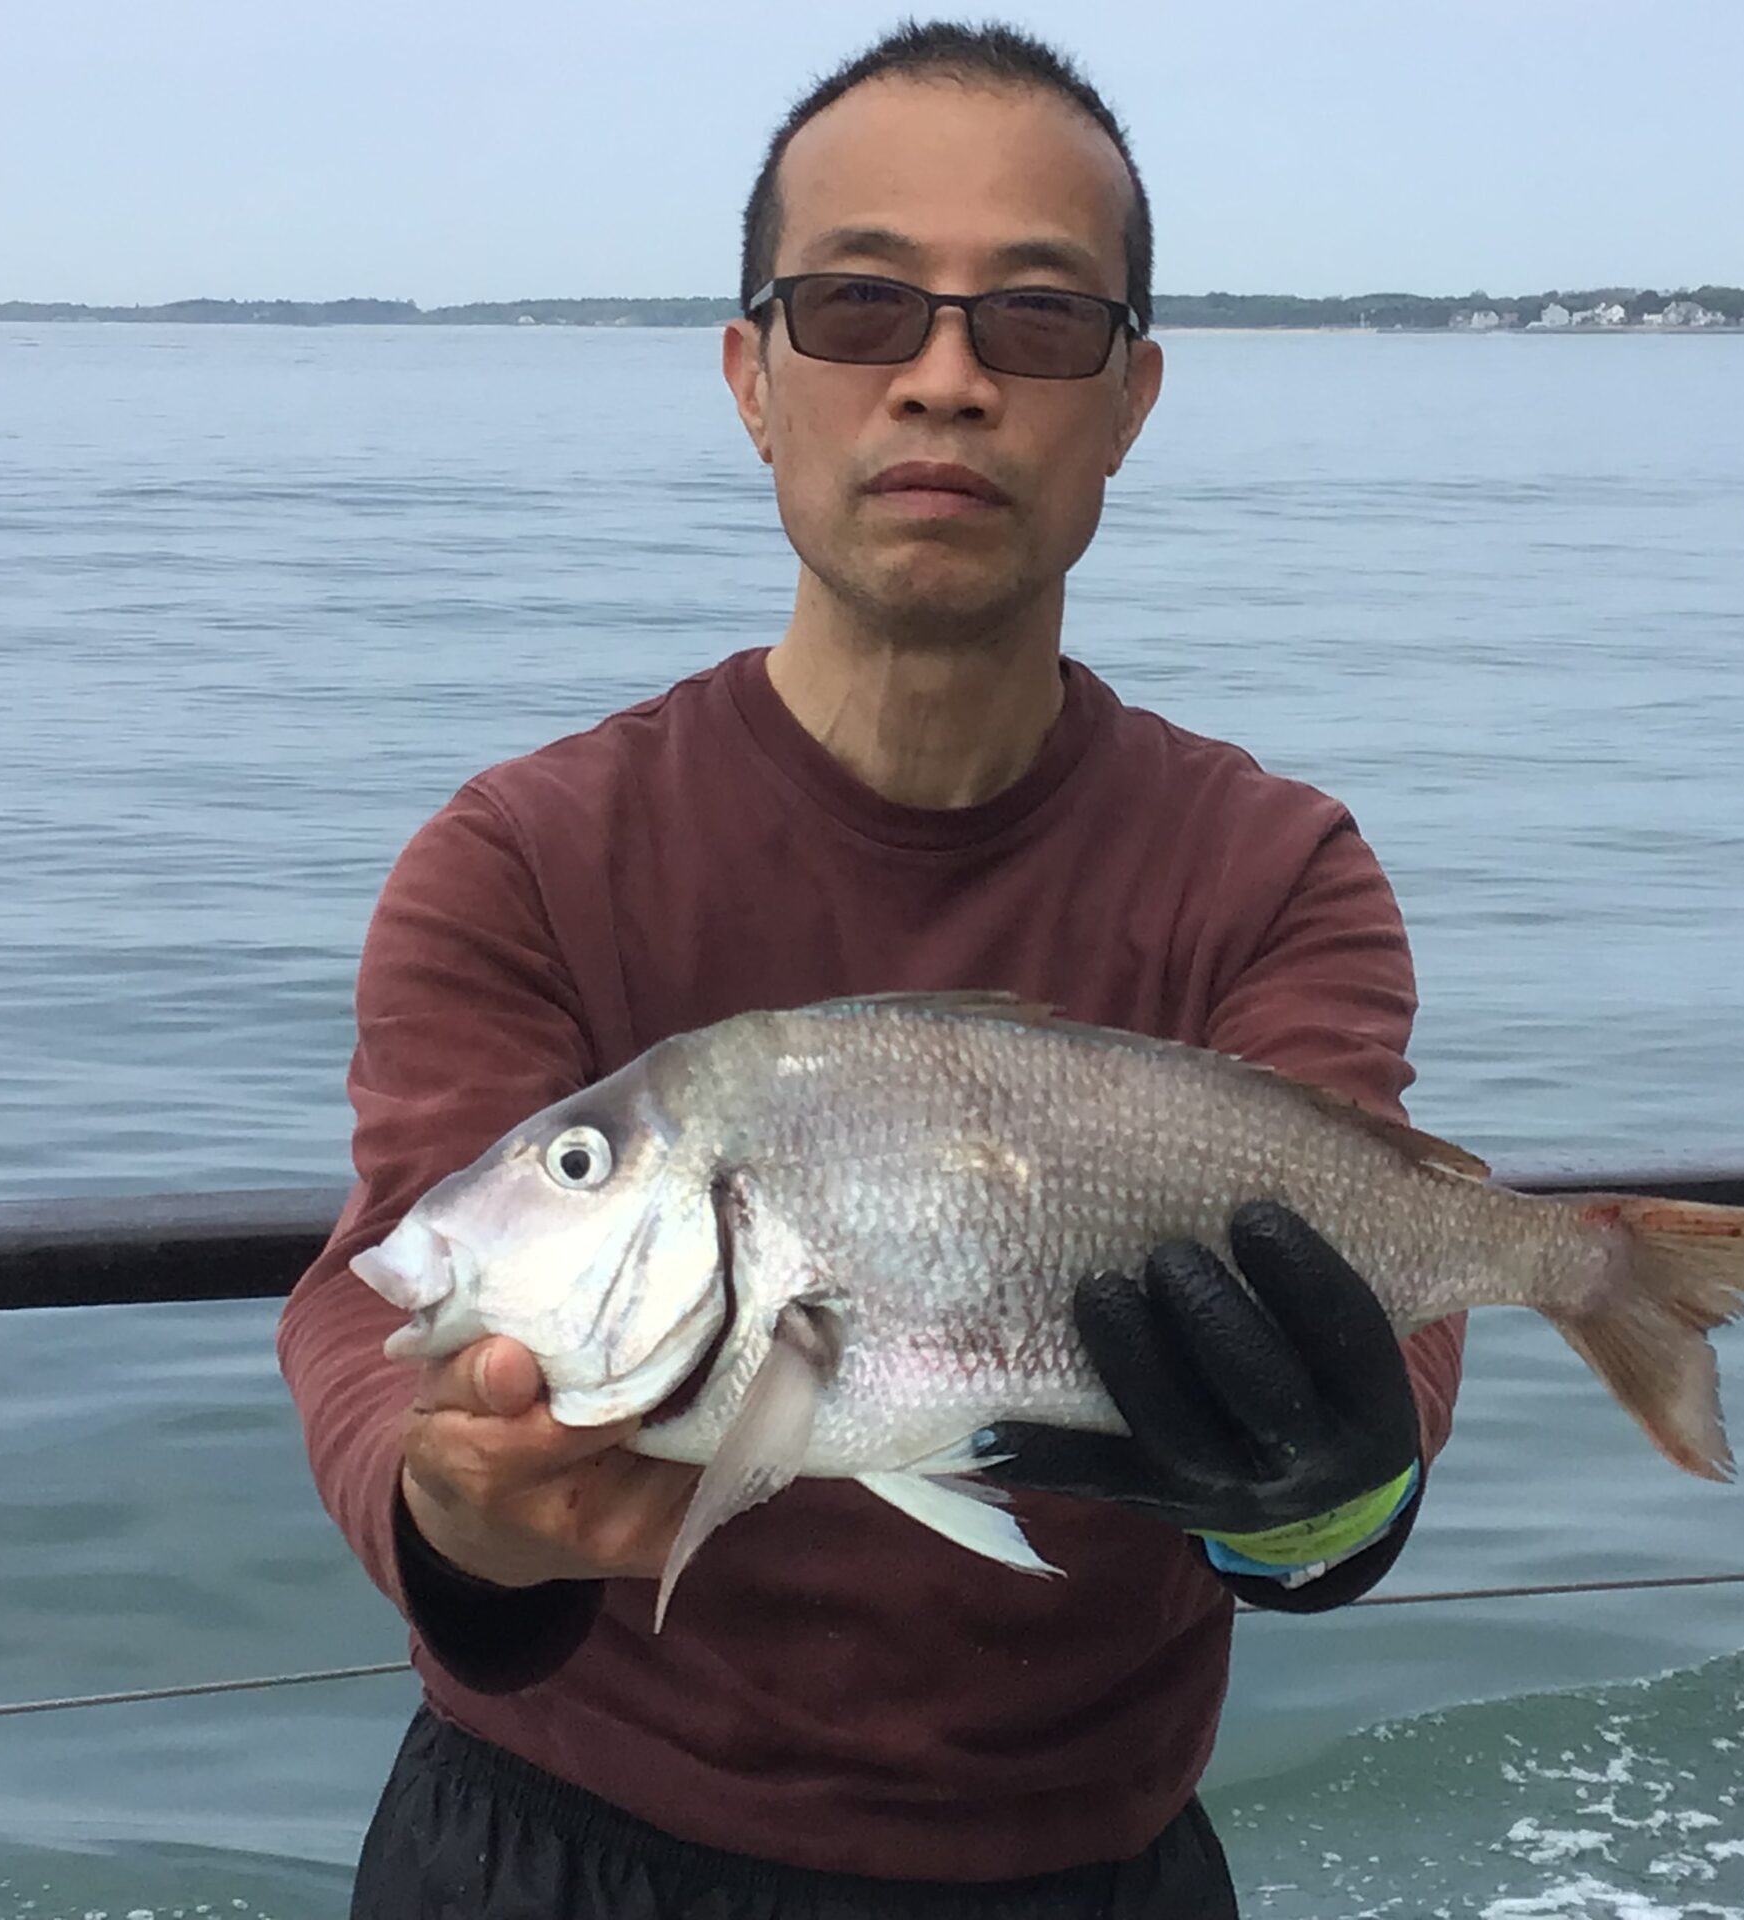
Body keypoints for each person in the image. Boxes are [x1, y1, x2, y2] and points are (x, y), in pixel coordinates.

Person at [277, 20, 1467, 1917]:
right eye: (857, 308)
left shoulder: (1274, 871)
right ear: (753, 378)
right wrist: (452, 1504)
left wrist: (1325, 1483)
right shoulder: (519, 857)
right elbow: (377, 1298)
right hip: (556, 1845)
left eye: (1039, 323)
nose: (944, 380)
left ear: (1132, 399)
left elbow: (1380, 1347)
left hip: (1085, 1860)